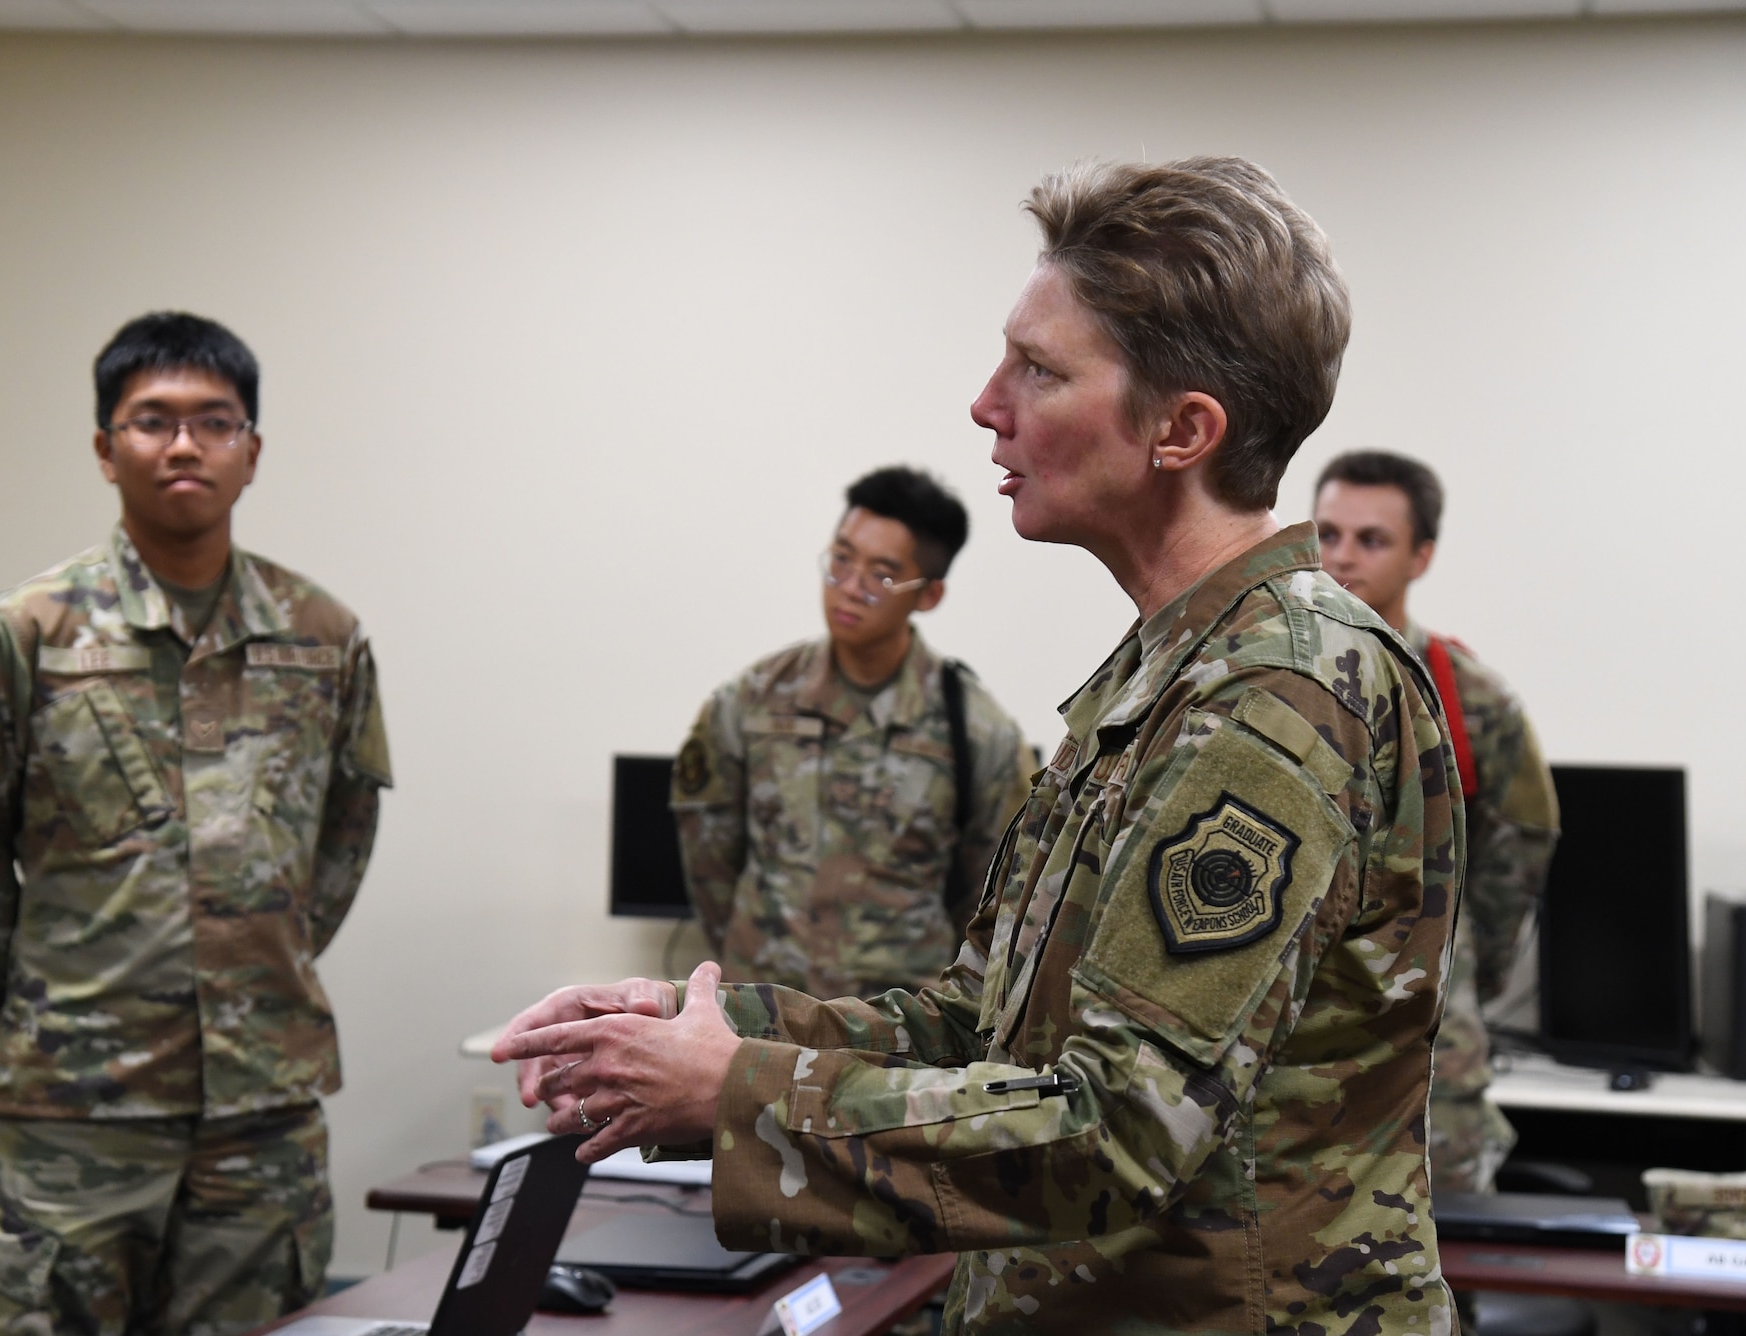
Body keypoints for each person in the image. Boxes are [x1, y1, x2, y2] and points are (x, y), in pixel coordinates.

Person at [495, 156, 1465, 1335]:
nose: (984, 403)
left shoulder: (1278, 691)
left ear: (1181, 430)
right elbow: (978, 1030)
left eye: (1037, 369)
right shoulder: (1172, 671)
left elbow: (1116, 1130)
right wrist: (711, 1029)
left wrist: (735, 1094)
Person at [0, 312, 393, 1336]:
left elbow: (339, 841)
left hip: (258, 1118)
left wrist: (253, 970)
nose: (181, 445)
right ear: (103, 448)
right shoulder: (23, 634)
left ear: (251, 452)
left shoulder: (323, 637)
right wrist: (47, 1003)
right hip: (70, 1111)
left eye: (213, 422)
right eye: (150, 421)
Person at [671, 465, 1033, 998]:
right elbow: (709, 851)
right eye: (841, 560)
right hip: (761, 1014)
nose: (848, 589)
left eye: (882, 575)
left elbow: (991, 896)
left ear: (928, 595)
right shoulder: (752, 700)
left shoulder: (979, 733)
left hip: (895, 1036)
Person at [1316, 449, 1560, 1195]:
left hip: (1425, 1055)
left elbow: (1516, 860)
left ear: (1421, 555)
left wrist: (1454, 975)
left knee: (1446, 1270)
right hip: (1283, 1055)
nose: (1342, 557)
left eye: (1371, 539)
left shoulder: (1470, 698)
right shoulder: (1261, 677)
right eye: (1326, 533)